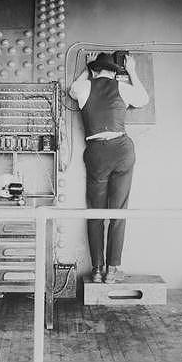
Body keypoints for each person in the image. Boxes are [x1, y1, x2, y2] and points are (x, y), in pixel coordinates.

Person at [69, 52, 149, 283]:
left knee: (95, 211)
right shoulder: (122, 87)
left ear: (94, 72)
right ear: (115, 72)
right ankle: (112, 270)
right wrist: (131, 71)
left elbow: (72, 89)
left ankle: (96, 270)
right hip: (122, 149)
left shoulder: (83, 88)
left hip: (96, 151)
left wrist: (86, 69)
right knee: (118, 211)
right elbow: (143, 100)